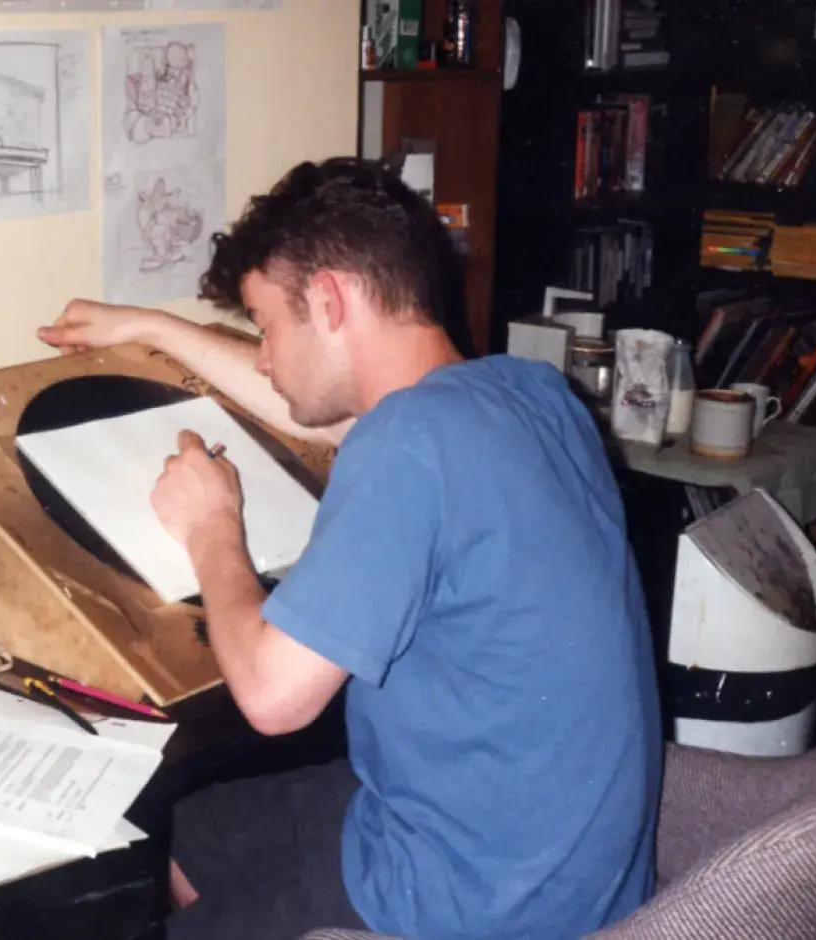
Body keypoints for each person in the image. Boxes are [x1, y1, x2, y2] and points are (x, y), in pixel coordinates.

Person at [37, 157, 662, 940]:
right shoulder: (528, 393)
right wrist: (154, 328)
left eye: (266, 327)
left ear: (329, 299)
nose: (263, 355)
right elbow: (317, 411)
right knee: (192, 832)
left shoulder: (409, 444)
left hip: (477, 906)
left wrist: (211, 530)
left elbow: (271, 696)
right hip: (550, 857)